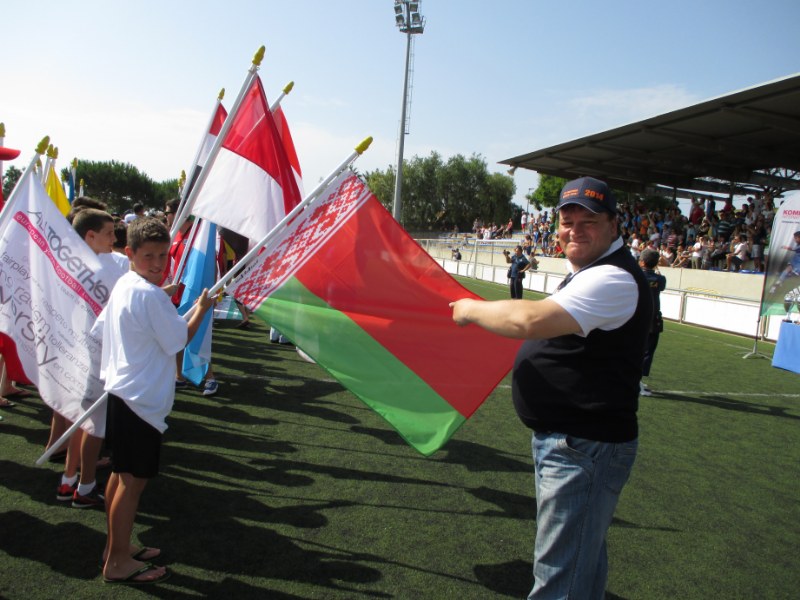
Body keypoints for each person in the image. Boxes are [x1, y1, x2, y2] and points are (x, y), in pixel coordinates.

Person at [450, 177, 652, 600]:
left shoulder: (612, 278)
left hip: (584, 445)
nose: (575, 230)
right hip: (574, 442)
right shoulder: (591, 272)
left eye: (589, 221)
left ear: (614, 225)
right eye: (567, 221)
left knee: (560, 577)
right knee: (579, 565)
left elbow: (530, 320)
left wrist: (470, 309)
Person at [92, 217, 214, 584]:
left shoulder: (127, 284)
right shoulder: (148, 294)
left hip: (124, 394)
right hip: (140, 401)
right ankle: (117, 562)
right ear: (130, 253)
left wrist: (163, 295)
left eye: (163, 255)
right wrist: (202, 307)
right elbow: (179, 339)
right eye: (149, 256)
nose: (158, 264)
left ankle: (116, 547)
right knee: (132, 483)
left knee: (121, 476)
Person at [639, 249, 666, 396]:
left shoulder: (636, 275)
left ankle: (636, 380)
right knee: (647, 351)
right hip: (652, 319)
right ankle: (636, 381)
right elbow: (660, 285)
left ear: (642, 262)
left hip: (636, 318)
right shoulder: (660, 279)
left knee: (636, 350)